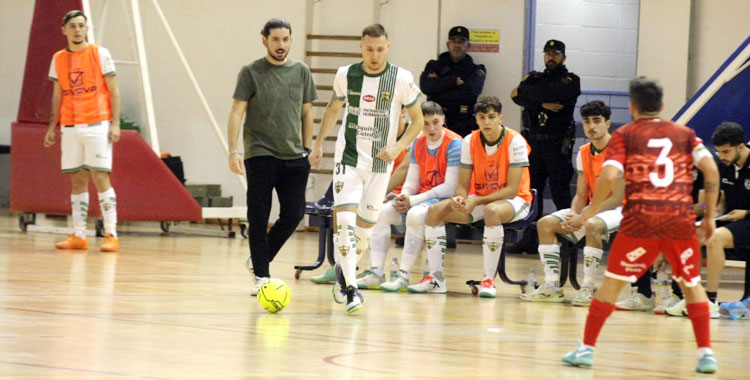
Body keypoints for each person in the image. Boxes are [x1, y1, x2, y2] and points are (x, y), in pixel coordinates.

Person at [562, 77, 720, 374]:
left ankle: (586, 350)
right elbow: (710, 169)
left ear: (632, 107)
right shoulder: (686, 134)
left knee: (611, 285)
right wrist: (709, 216)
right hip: (678, 220)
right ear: (661, 105)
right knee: (691, 285)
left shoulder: (627, 135)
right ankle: (706, 354)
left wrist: (588, 213)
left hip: (641, 223)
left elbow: (608, 176)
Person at [309, 24, 424, 314]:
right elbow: (333, 109)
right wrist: (318, 143)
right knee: (345, 225)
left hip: (380, 166)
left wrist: (398, 147)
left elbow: (418, 121)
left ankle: (343, 273)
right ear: (361, 47)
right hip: (348, 160)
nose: (374, 55)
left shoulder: (401, 78)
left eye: (380, 49)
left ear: (388, 47)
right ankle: (352, 290)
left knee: (363, 232)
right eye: (369, 49)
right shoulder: (346, 75)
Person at [227, 18, 317, 296]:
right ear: (264, 39)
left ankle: (258, 260)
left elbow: (307, 112)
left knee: (293, 215)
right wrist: (234, 151)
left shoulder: (301, 71)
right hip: (260, 153)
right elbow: (237, 112)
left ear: (291, 40)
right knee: (259, 214)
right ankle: (262, 276)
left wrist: (307, 148)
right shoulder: (251, 72)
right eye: (275, 39)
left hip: (295, 156)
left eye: (286, 39)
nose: (281, 45)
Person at [422, 95, 532, 298]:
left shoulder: (515, 140)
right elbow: (463, 185)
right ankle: (435, 279)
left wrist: (476, 201)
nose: (487, 122)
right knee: (435, 210)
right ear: (476, 119)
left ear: (501, 118)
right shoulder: (469, 141)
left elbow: (512, 189)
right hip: (480, 198)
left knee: (492, 211)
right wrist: (460, 198)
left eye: (492, 117)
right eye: (482, 117)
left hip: (516, 200)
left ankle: (488, 280)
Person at [521, 101, 623, 306]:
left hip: (620, 210)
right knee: (545, 223)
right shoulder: (584, 151)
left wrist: (583, 217)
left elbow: (616, 198)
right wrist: (573, 216)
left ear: (608, 123)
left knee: (592, 225)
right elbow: (581, 193)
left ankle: (587, 288)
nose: (591, 126)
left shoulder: (619, 151)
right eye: (587, 121)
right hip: (592, 208)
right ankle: (552, 286)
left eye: (597, 121)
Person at [355, 101, 462, 292]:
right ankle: (376, 272)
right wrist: (404, 196)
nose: (431, 128)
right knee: (380, 212)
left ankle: (403, 275)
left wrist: (413, 201)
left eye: (436, 122)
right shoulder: (418, 142)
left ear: (443, 120)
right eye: (426, 123)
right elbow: (412, 180)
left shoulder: (454, 143)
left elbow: (449, 187)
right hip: (421, 198)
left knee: (415, 214)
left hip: (444, 200)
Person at [44, 10, 121, 252]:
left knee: (100, 177)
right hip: (69, 125)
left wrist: (116, 123)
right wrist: (52, 127)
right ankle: (79, 234)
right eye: (73, 26)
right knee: (76, 179)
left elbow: (114, 90)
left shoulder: (100, 53)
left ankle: (111, 233)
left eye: (81, 26)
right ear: (64, 30)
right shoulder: (58, 58)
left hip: (97, 123)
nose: (77, 30)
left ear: (86, 29)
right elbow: (57, 95)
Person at [666, 121, 750, 316]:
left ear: (740, 146)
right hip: (733, 221)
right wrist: (712, 215)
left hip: (747, 218)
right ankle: (691, 298)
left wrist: (745, 213)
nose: (721, 157)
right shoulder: (724, 166)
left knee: (715, 238)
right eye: (719, 152)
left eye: (726, 152)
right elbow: (721, 201)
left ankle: (710, 300)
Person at [509, 39, 581, 254]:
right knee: (533, 193)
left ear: (563, 57)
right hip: (534, 145)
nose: (551, 57)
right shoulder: (534, 77)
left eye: (556, 53)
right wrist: (540, 103)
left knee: (560, 194)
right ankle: (531, 239)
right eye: (548, 53)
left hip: (557, 145)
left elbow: (552, 94)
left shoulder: (571, 80)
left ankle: (569, 240)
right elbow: (517, 94)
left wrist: (531, 97)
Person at [420, 26, 486, 138]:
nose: (457, 45)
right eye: (453, 41)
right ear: (448, 45)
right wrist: (453, 81)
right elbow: (426, 87)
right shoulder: (434, 65)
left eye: (461, 42)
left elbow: (469, 94)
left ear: (468, 46)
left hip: (463, 125)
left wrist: (438, 87)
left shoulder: (476, 70)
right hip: (435, 123)